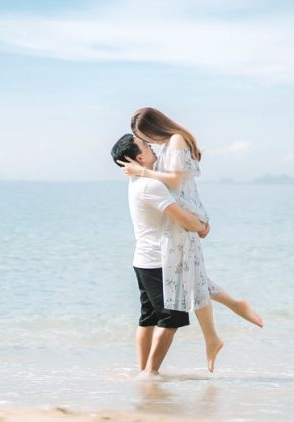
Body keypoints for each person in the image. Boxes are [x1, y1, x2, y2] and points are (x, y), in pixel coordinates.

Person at [119, 107, 263, 373]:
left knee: (191, 280)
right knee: (193, 279)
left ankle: (214, 334)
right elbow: (173, 185)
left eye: (145, 136)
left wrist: (143, 172)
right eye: (143, 141)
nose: (149, 143)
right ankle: (222, 322)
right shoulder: (166, 149)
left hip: (182, 219)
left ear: (154, 127)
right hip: (177, 224)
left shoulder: (174, 142)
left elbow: (175, 180)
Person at [111, 133, 210, 378]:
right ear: (139, 157)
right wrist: (202, 226)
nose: (152, 147)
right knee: (172, 317)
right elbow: (180, 216)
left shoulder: (137, 182)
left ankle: (143, 370)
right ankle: (150, 372)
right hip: (158, 261)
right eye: (146, 145)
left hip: (143, 260)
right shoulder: (150, 185)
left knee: (149, 316)